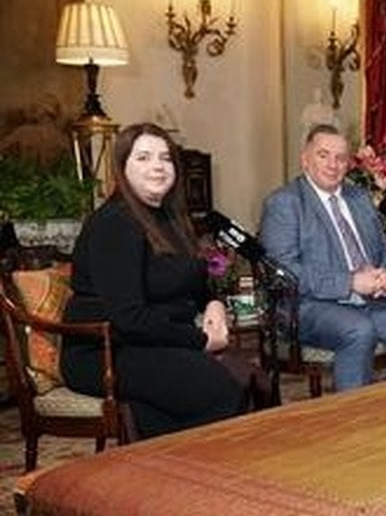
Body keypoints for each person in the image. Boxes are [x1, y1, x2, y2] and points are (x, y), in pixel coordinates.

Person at [60, 123, 256, 437]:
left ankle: (160, 460)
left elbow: (193, 280)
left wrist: (214, 304)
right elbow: (129, 318)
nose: (157, 166)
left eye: (165, 158)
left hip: (154, 343)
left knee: (249, 378)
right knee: (219, 389)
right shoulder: (114, 223)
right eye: (143, 157)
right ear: (122, 167)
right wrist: (201, 340)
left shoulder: (170, 219)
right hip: (105, 351)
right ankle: (187, 466)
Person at [259, 124, 386, 392]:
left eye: (341, 158)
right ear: (305, 159)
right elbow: (283, 272)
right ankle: (354, 413)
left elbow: (385, 254)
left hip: (370, 303)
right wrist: (350, 282)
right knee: (358, 330)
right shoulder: (285, 202)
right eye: (323, 155)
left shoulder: (359, 198)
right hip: (310, 306)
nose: (333, 165)